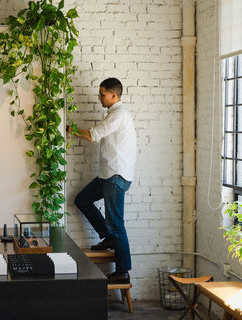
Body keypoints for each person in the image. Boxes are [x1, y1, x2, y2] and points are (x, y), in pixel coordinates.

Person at [67, 77, 137, 284]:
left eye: (102, 94)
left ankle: (123, 271)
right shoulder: (115, 114)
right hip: (108, 174)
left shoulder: (119, 115)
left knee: (117, 225)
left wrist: (70, 130)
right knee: (82, 200)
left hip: (116, 176)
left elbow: (92, 135)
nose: (99, 98)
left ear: (114, 95)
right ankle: (107, 238)